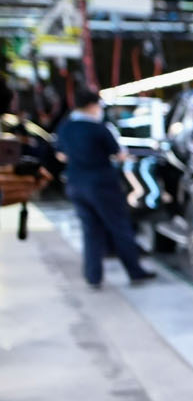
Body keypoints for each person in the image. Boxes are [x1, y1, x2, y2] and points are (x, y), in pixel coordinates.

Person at [52, 88, 156, 288]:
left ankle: (93, 276)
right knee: (119, 227)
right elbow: (119, 154)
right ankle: (135, 271)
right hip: (101, 184)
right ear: (92, 106)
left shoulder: (65, 127)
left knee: (90, 230)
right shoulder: (99, 128)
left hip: (75, 184)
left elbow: (60, 155)